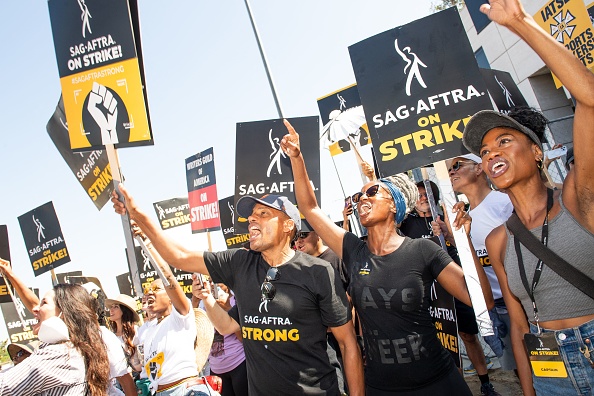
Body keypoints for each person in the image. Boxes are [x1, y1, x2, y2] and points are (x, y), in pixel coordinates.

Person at [281, 119, 494, 395]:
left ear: (394, 203)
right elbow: (309, 208)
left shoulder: (422, 250)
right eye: (358, 197)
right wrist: (297, 158)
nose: (361, 200)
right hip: (382, 386)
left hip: (438, 383)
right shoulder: (353, 250)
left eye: (372, 192)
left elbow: (482, 300)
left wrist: (463, 241)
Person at [461, 1, 594, 394]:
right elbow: (519, 327)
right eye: (484, 152)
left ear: (537, 151)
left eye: (504, 141)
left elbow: (588, 96)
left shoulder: (577, 198)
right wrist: (530, 389)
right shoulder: (497, 240)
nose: (491, 155)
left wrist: (520, 23)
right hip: (553, 375)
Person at [112, 188, 364, 396]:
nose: (252, 219)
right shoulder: (240, 263)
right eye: (251, 215)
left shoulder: (318, 271)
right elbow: (179, 256)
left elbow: (347, 343)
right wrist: (139, 215)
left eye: (263, 214)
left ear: (288, 226)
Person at [400, 180, 500, 396]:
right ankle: (458, 387)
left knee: (468, 335)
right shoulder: (407, 223)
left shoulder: (446, 216)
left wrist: (448, 234)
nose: (423, 198)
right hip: (428, 291)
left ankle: (485, 383)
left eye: (427, 194)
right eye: (419, 195)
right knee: (443, 340)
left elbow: (464, 244)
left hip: (455, 283)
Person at [0, 259, 110, 395]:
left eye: (44, 303)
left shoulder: (60, 355)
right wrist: (10, 275)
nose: (35, 309)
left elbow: (3, 387)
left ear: (64, 314)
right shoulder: (78, 349)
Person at [129, 230, 217, 396]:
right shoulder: (148, 330)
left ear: (170, 297)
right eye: (147, 291)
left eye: (156, 289)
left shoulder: (180, 318)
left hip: (186, 391)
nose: (149, 293)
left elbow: (168, 278)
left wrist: (147, 243)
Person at [192, 278, 247, 396]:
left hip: (239, 364)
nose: (213, 284)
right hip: (216, 369)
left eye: (217, 279)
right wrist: (195, 302)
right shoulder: (203, 305)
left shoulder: (236, 301)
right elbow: (194, 335)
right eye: (209, 281)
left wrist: (228, 308)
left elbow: (244, 338)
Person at [106, 293, 143, 374]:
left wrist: (132, 369)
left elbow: (143, 361)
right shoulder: (111, 335)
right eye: (111, 307)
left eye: (116, 307)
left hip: (137, 377)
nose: (111, 310)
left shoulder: (136, 331)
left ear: (124, 311)